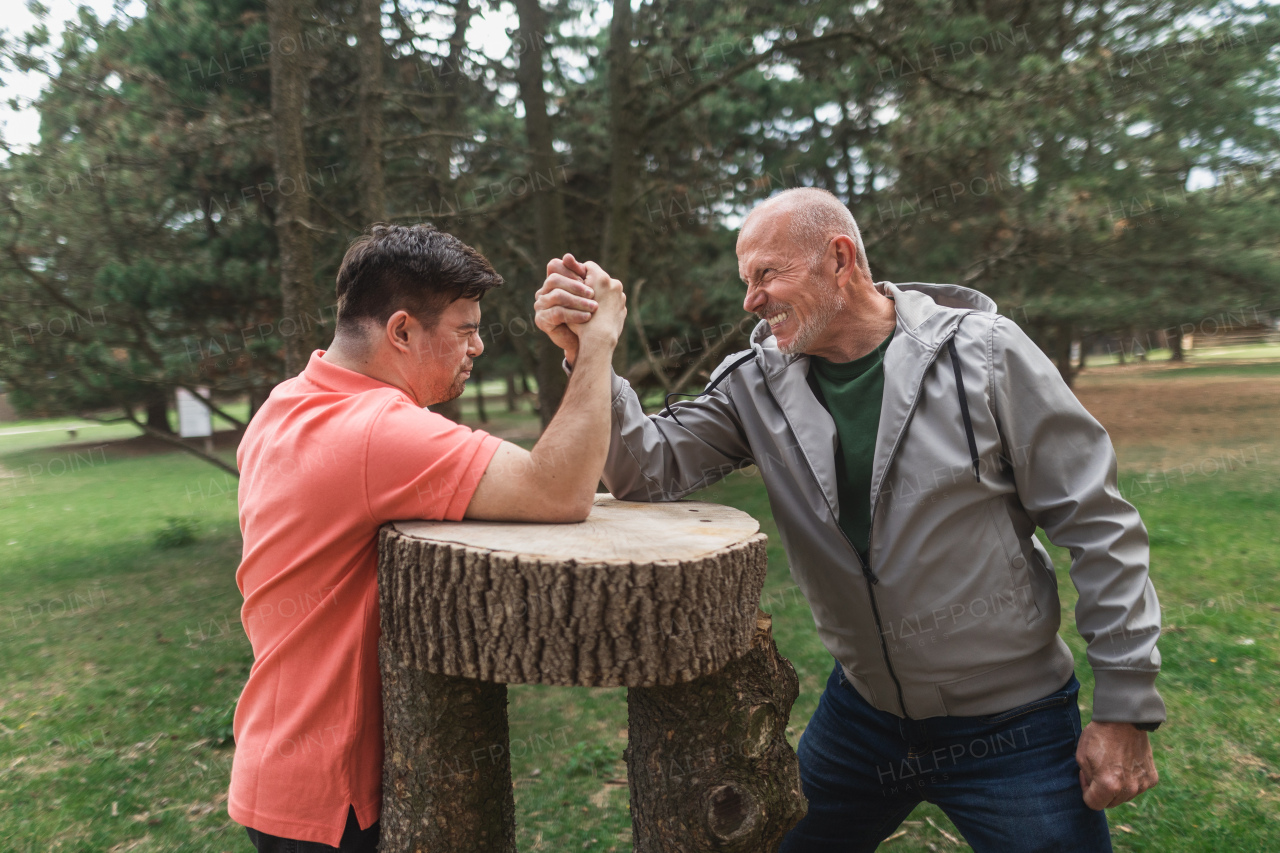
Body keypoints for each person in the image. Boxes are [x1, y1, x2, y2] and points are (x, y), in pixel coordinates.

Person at [534, 187, 1163, 852]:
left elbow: (1098, 523)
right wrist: (590, 351)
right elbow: (643, 470)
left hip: (1015, 726)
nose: (751, 299)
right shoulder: (755, 382)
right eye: (745, 280)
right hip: (863, 720)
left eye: (766, 274)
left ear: (840, 259)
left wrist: (1126, 707)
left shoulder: (984, 355)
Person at [228, 224, 626, 852]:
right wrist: (597, 345)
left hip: (275, 764)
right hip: (332, 800)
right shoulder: (374, 429)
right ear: (403, 331)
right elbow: (559, 491)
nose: (479, 347)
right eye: (465, 330)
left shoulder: (289, 401)